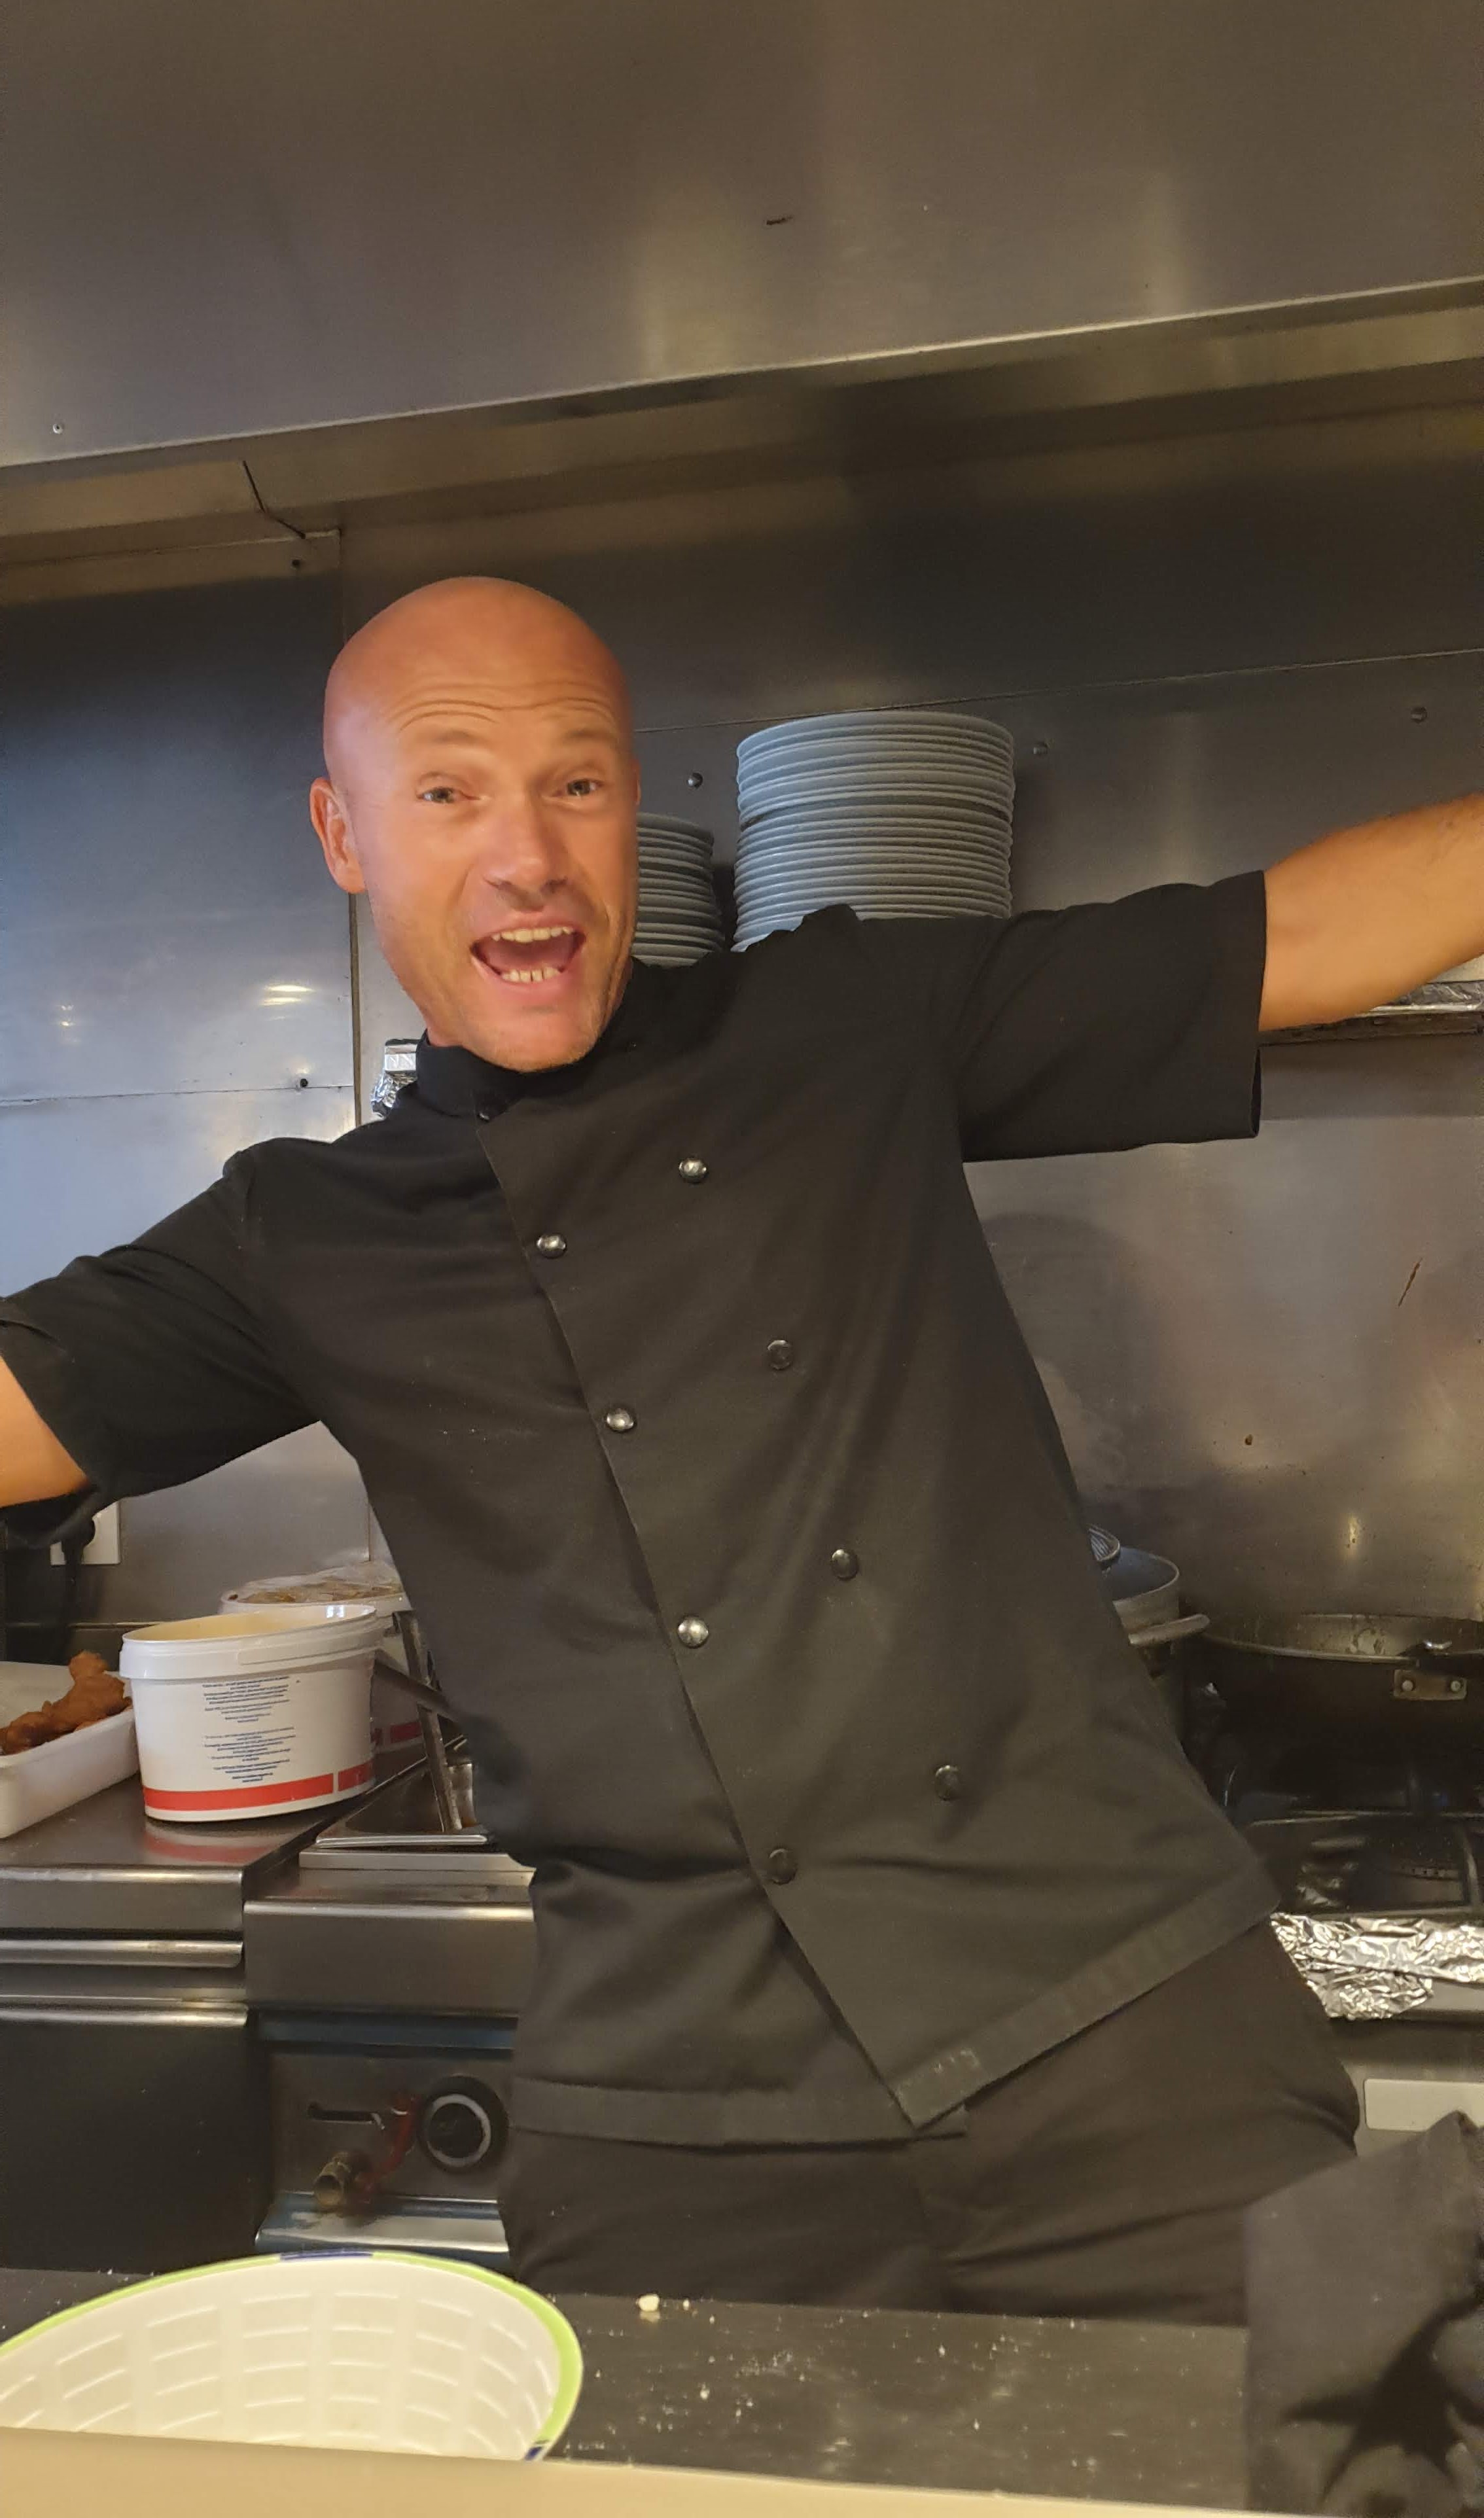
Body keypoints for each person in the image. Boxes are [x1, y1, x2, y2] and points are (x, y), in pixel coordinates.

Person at [1, 576, 1478, 2323]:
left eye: (575, 783)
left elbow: (1293, 940)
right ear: (344, 834)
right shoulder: (297, 1234)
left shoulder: (843, 1021)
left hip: (1125, 2033)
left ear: (633, 807)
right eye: (448, 791)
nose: (527, 856)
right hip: (675, 2118)